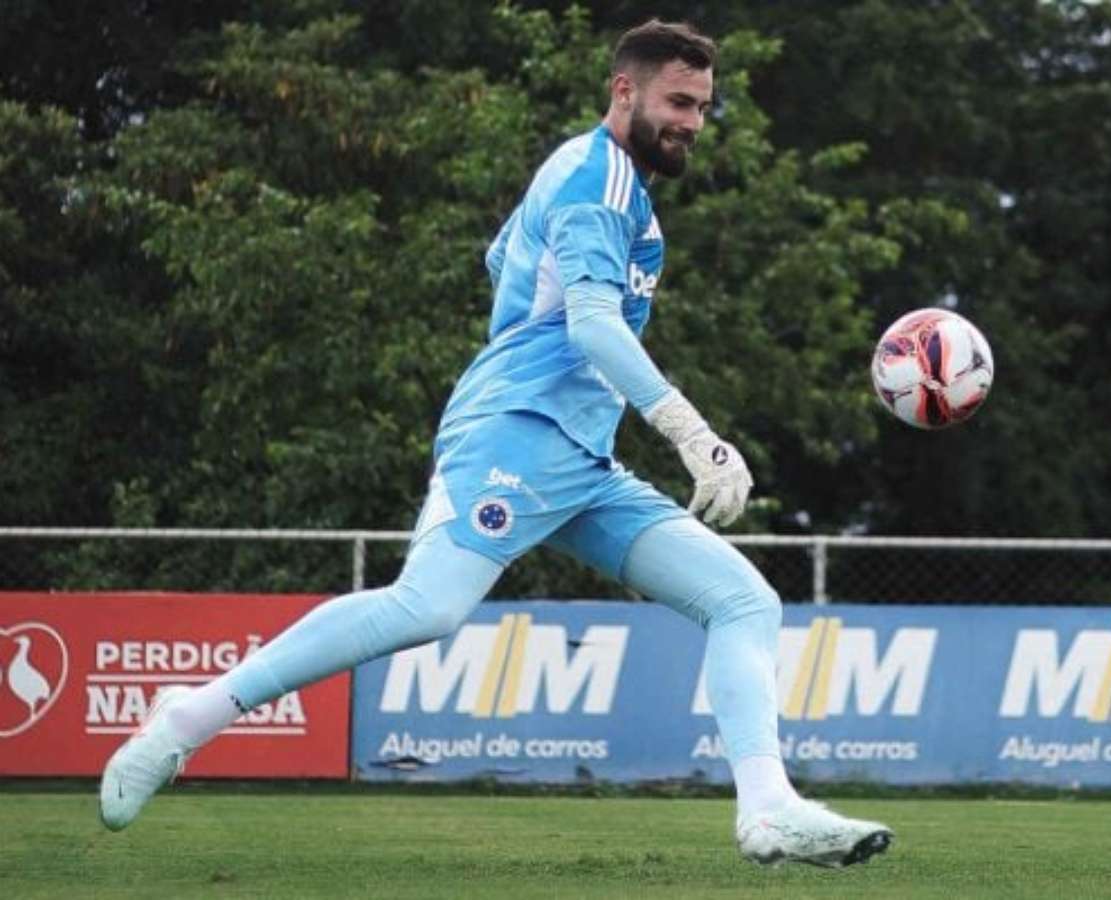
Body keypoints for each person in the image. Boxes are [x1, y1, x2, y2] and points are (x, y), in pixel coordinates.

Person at [99, 19, 892, 868]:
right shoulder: (598, 180)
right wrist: (692, 434)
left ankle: (768, 809)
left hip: (581, 460)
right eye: (678, 102)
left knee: (744, 602)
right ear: (623, 91)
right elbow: (591, 323)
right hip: (516, 430)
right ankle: (188, 718)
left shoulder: (603, 180)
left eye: (702, 106)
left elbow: (501, 257)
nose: (693, 122)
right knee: (427, 608)